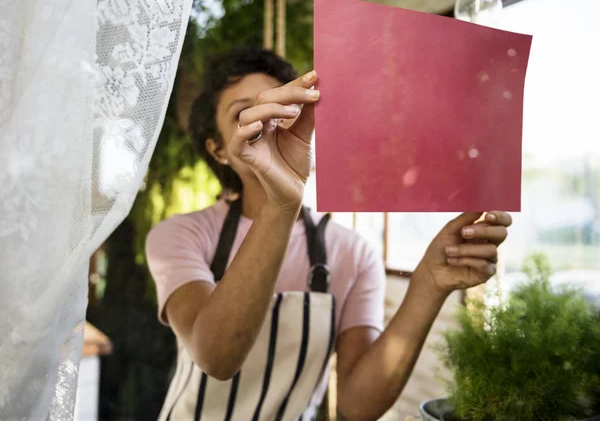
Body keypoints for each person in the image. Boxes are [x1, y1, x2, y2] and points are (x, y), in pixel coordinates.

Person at [145, 46, 512, 421]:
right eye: (245, 113)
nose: (266, 122)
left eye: (281, 109)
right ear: (218, 149)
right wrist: (281, 204)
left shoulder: (352, 253)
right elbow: (217, 357)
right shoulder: (179, 236)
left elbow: (356, 406)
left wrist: (428, 285)